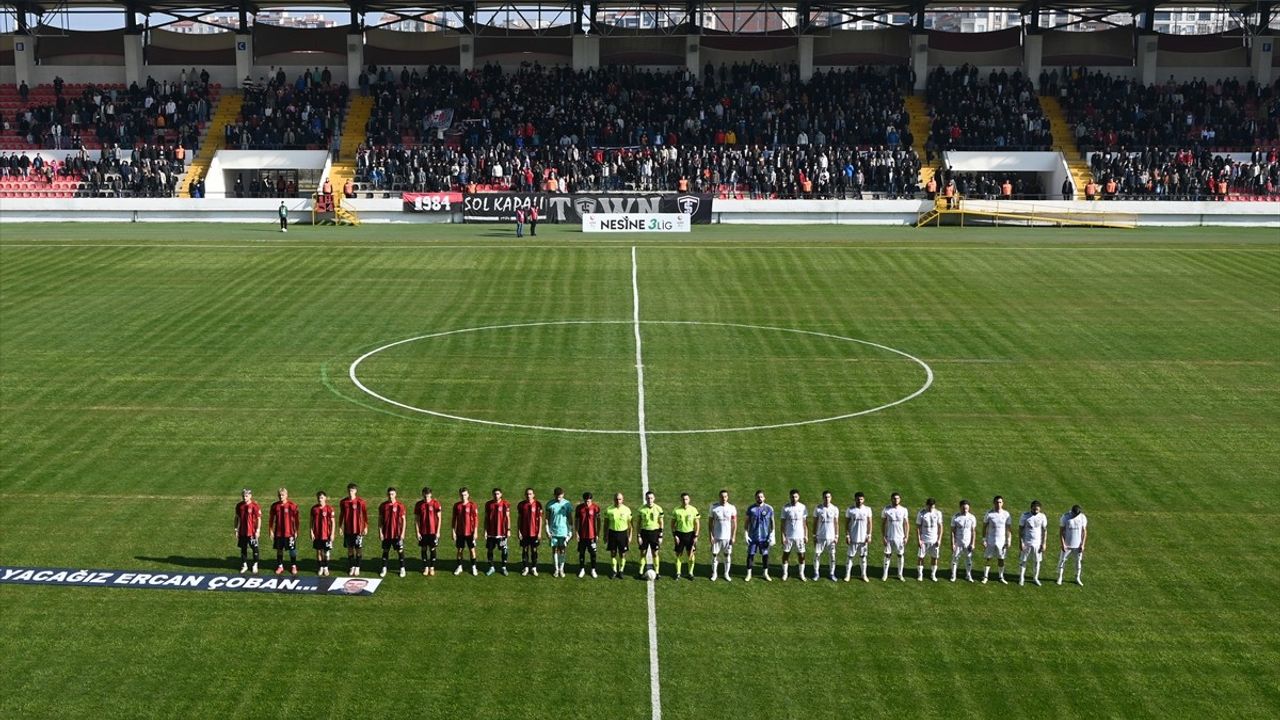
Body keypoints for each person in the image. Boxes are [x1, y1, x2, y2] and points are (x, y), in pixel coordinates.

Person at [743, 490, 774, 582]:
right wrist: (745, 533)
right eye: (758, 497)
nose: (759, 498)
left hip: (765, 537)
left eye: (761, 497)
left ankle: (765, 573)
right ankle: (749, 574)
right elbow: (746, 522)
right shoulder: (751, 508)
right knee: (750, 555)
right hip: (753, 537)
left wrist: (772, 534)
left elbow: (772, 522)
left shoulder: (769, 508)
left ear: (764, 498)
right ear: (755, 498)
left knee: (765, 555)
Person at [337, 483, 368, 576]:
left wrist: (366, 527)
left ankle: (357, 567)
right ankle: (352, 567)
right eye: (349, 490)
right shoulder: (343, 502)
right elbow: (341, 515)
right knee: (350, 549)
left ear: (356, 491)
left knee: (358, 549)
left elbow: (365, 516)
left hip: (358, 529)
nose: (350, 492)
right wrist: (340, 526)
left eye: (352, 490)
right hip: (348, 530)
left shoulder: (361, 502)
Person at [269, 487, 300, 576]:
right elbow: (271, 519)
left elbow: (297, 519)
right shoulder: (275, 506)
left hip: (289, 532)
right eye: (279, 495)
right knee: (279, 550)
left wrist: (297, 530)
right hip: (278, 533)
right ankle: (280, 566)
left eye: (282, 495)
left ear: (286, 495)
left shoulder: (292, 505)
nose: (281, 497)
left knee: (292, 550)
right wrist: (270, 530)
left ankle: (293, 566)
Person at [708, 489, 738, 581]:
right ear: (719, 497)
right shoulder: (713, 507)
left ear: (727, 497)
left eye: (725, 496)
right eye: (722, 496)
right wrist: (711, 536)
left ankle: (726, 574)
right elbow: (710, 523)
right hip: (716, 537)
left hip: (727, 537)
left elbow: (734, 523)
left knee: (727, 555)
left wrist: (733, 536)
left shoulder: (732, 508)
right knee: (714, 555)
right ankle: (715, 574)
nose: (723, 498)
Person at [378, 487, 408, 578]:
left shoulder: (400, 506)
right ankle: (384, 568)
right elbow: (380, 520)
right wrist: (380, 532)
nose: (390, 496)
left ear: (395, 495)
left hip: (397, 533)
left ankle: (402, 569)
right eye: (389, 494)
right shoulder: (383, 506)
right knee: (385, 550)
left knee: (400, 550)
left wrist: (402, 533)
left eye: (392, 494)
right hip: (386, 533)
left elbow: (404, 520)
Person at [982, 495, 1013, 584]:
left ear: (1002, 503)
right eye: (996, 502)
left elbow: (1008, 528)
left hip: (1002, 541)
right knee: (988, 558)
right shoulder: (989, 513)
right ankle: (985, 576)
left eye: (1000, 502)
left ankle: (1001, 577)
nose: (998, 504)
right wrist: (984, 539)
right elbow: (984, 527)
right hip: (990, 540)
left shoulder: (1006, 514)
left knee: (1001, 559)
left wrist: (1009, 540)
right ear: (993, 503)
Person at [670, 492, 700, 580]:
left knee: (691, 554)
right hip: (679, 534)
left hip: (690, 534)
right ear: (681, 500)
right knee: (678, 554)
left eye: (686, 499)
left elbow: (697, 524)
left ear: (689, 500)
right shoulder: (676, 510)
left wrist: (696, 536)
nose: (685, 501)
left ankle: (690, 573)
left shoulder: (694, 510)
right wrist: (675, 535)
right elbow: (672, 524)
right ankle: (678, 573)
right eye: (683, 499)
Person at [843, 491, 873, 582]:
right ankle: (847, 575)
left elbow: (869, 523)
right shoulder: (850, 509)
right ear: (855, 499)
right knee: (850, 556)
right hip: (853, 537)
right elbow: (847, 523)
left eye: (861, 499)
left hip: (863, 538)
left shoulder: (867, 509)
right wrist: (847, 535)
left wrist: (869, 535)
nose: (859, 500)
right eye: (858, 499)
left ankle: (863, 575)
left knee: (863, 557)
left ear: (863, 499)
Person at [811, 490, 840, 581]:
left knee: (832, 555)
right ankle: (816, 573)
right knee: (817, 554)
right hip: (820, 536)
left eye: (828, 497)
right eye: (825, 497)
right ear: (822, 498)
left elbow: (836, 523)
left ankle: (832, 573)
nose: (827, 499)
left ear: (831, 498)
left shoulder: (835, 509)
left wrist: (836, 536)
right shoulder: (818, 508)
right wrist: (814, 535)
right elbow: (815, 523)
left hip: (831, 537)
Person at [544, 487, 573, 578]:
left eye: (560, 497)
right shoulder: (550, 504)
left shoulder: (567, 504)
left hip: (563, 531)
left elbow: (570, 517)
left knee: (562, 550)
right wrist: (547, 530)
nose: (558, 499)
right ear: (554, 495)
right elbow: (547, 519)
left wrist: (570, 531)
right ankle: (556, 569)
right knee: (555, 550)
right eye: (557, 497)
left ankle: (562, 569)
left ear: (563, 495)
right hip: (553, 532)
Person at [1018, 500, 1049, 586]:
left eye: (1037, 510)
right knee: (1023, 561)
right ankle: (1021, 578)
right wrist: (1021, 542)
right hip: (1027, 542)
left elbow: (1044, 530)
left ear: (1040, 509)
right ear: (1031, 508)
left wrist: (1044, 543)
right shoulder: (1025, 516)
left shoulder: (1042, 517)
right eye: (1034, 509)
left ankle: (1035, 578)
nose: (1036, 511)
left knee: (1037, 561)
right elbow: (1020, 529)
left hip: (1037, 543)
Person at [779, 489, 808, 581]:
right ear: (789, 497)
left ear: (798, 497)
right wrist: (783, 536)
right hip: (789, 536)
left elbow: (804, 523)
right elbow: (782, 524)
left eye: (795, 497)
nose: (794, 498)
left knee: (801, 555)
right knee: (786, 555)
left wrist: (806, 535)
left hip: (800, 536)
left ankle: (801, 574)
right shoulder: (785, 508)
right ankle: (785, 573)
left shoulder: (803, 507)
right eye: (792, 496)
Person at [1057, 504, 1088, 586]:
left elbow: (1084, 532)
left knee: (1078, 562)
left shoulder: (1082, 517)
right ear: (1072, 511)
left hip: (1078, 545)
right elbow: (1061, 532)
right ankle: (1060, 577)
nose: (1076, 516)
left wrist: (1083, 544)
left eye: (1077, 514)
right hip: (1067, 545)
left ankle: (1077, 578)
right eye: (1074, 514)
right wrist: (1063, 544)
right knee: (1062, 561)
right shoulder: (1065, 517)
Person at [604, 492, 633, 580]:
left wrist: (630, 536)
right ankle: (614, 570)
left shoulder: (627, 510)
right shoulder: (609, 510)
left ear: (622, 500)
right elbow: (606, 524)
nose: (618, 501)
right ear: (614, 500)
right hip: (612, 533)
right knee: (613, 553)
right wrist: (605, 535)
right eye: (616, 499)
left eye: (619, 499)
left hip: (623, 534)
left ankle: (621, 570)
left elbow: (630, 525)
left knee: (622, 553)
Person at [881, 492, 910, 581]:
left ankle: (900, 574)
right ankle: (885, 574)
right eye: (894, 498)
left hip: (900, 537)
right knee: (887, 555)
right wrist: (883, 536)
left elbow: (906, 524)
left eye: (897, 498)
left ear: (900, 499)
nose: (896, 500)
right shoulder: (886, 509)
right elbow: (883, 524)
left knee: (900, 555)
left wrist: (906, 536)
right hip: (889, 537)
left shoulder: (904, 510)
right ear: (891, 499)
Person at [414, 487, 442, 576]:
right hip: (423, 531)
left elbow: (439, 518)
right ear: (422, 495)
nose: (427, 498)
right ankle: (426, 567)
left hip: (433, 531)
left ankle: (432, 567)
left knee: (432, 548)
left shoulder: (435, 503)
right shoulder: (419, 504)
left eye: (428, 496)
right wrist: (417, 532)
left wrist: (438, 531)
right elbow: (417, 519)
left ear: (431, 495)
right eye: (425, 496)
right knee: (424, 549)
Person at [451, 487, 479, 576]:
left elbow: (476, 519)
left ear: (468, 495)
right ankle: (459, 567)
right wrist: (453, 531)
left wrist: (475, 531)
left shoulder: (472, 505)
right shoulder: (457, 506)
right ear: (459, 495)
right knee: (460, 550)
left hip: (470, 532)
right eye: (462, 495)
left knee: (472, 550)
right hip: (460, 532)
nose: (463, 497)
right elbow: (454, 519)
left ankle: (474, 567)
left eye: (465, 495)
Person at [636, 491, 664, 580]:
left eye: (651, 498)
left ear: (654, 498)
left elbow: (661, 523)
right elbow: (638, 524)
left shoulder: (659, 509)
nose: (650, 500)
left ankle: (658, 572)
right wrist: (639, 535)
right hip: (644, 532)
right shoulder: (641, 509)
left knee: (655, 553)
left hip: (654, 533)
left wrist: (660, 535)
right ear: (645, 498)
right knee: (643, 553)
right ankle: (640, 572)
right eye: (648, 498)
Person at [484, 488, 511, 576]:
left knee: (504, 550)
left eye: (498, 494)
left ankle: (503, 567)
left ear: (501, 494)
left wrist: (508, 529)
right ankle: (491, 567)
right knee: (490, 550)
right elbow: (486, 518)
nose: (496, 495)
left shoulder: (505, 504)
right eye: (495, 494)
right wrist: (485, 531)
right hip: (491, 533)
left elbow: (508, 518)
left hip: (502, 533)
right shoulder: (488, 504)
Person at [516, 487, 543, 576]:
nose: (528, 495)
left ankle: (534, 568)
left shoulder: (538, 504)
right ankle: (526, 568)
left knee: (534, 550)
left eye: (530, 494)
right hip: (524, 532)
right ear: (525, 495)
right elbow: (519, 518)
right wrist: (518, 531)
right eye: (527, 494)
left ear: (533, 495)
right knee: (525, 550)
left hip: (534, 532)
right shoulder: (521, 505)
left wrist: (539, 532)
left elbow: (540, 519)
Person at [916, 497, 944, 582]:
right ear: (926, 505)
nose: (931, 509)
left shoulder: (938, 513)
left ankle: (933, 575)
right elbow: (918, 527)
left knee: (935, 557)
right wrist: (919, 540)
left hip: (934, 540)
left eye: (933, 507)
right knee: (921, 557)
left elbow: (940, 527)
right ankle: (920, 575)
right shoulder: (921, 513)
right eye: (929, 507)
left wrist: (939, 539)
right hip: (924, 539)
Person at [234, 488, 261, 574]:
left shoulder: (254, 506)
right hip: (242, 532)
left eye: (246, 496)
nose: (244, 498)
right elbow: (237, 518)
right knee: (243, 549)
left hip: (252, 532)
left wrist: (258, 530)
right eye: (243, 496)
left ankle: (255, 565)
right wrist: (236, 529)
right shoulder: (239, 505)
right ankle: (244, 565)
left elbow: (259, 518)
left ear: (250, 496)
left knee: (255, 549)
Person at [575, 491, 601, 578]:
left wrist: (598, 533)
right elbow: (577, 521)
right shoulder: (579, 508)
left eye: (589, 501)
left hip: (592, 535)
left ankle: (593, 569)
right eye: (585, 501)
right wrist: (576, 533)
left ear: (591, 500)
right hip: (582, 535)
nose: (587, 503)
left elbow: (599, 521)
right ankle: (582, 569)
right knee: (581, 552)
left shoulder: (596, 508)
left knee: (593, 553)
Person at [950, 499, 977, 582]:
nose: (965, 510)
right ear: (960, 507)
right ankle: (953, 575)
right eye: (963, 508)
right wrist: (953, 543)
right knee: (955, 559)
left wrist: (973, 543)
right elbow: (952, 532)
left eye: (967, 508)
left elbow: (973, 531)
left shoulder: (972, 517)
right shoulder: (956, 517)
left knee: (968, 559)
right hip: (958, 542)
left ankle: (968, 575)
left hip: (968, 543)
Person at [310, 490, 336, 576]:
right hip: (317, 534)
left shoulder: (329, 509)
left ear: (325, 498)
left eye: (321, 498)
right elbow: (311, 521)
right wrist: (311, 531)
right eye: (318, 498)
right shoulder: (314, 509)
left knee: (326, 552)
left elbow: (333, 522)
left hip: (326, 535)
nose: (320, 499)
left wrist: (332, 534)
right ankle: (320, 567)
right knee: (318, 551)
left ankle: (326, 567)